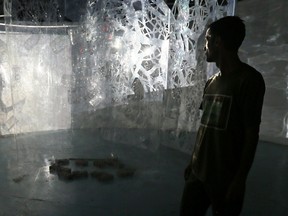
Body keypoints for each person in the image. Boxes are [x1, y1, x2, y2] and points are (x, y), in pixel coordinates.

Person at [180, 16, 265, 216]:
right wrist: (193, 161)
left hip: (225, 179)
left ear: (218, 41)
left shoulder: (249, 80)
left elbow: (251, 134)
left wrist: (239, 179)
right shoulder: (211, 82)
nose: (204, 46)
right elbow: (205, 127)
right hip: (199, 174)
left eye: (207, 39)